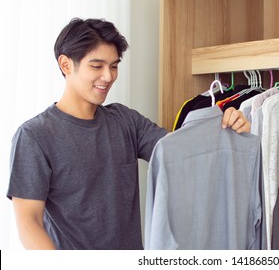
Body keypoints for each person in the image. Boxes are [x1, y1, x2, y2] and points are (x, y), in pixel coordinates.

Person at [7, 18, 250, 250]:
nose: (108, 76)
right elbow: (29, 224)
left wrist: (229, 127)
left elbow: (184, 152)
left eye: (113, 66)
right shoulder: (34, 136)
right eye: (97, 66)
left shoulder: (125, 121)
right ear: (66, 64)